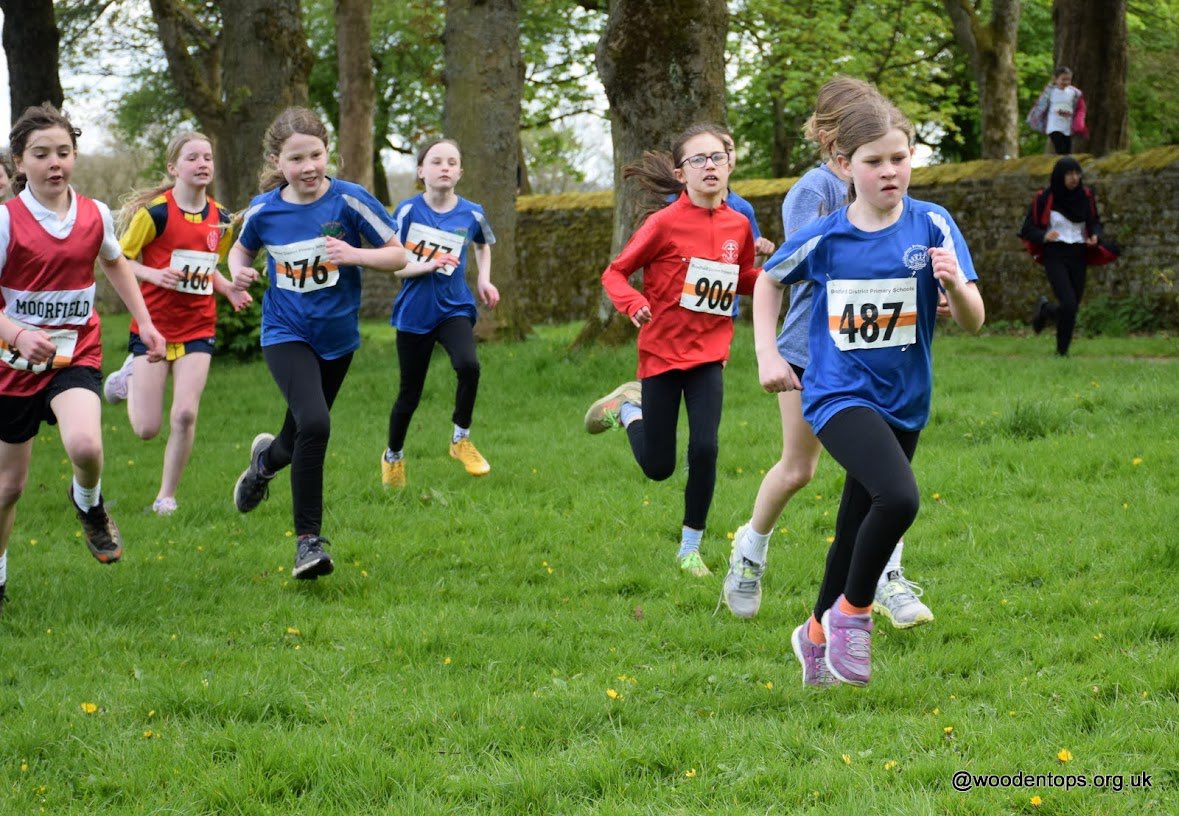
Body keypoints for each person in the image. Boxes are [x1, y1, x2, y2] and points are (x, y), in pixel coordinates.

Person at [757, 95, 984, 686]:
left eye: (900, 158)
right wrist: (767, 353)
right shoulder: (827, 237)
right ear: (842, 163)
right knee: (900, 499)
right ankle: (853, 617)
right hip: (837, 394)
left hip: (905, 400)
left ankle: (812, 636)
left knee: (857, 521)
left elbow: (975, 319)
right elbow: (767, 280)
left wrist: (955, 285)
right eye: (874, 161)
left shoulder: (933, 223)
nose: (890, 171)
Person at [722, 78, 935, 629]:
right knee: (799, 469)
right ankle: (750, 550)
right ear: (832, 142)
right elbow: (802, 272)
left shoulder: (901, 197)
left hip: (875, 359)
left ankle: (880, 581)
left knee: (880, 481)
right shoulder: (811, 194)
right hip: (809, 355)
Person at [228, 107, 452, 580]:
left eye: (316, 155)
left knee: (298, 435)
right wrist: (239, 271)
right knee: (316, 422)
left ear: (327, 153)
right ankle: (308, 543)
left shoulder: (350, 202)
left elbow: (398, 254)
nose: (308, 167)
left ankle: (264, 465)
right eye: (296, 158)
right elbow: (241, 247)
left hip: (337, 340)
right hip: (285, 333)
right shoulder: (266, 209)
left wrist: (355, 255)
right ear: (277, 160)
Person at [0, 104, 166, 614]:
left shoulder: (94, 215)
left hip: (76, 354)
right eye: (41, 154)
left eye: (64, 152)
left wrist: (147, 323)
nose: (55, 163)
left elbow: (115, 265)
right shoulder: (6, 223)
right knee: (9, 486)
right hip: (11, 366)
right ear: (19, 163)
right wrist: (16, 334)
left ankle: (88, 504)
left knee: (87, 445)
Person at [584, 123, 759, 578]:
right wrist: (634, 303)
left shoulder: (738, 225)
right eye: (698, 160)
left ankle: (689, 549)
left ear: (728, 164)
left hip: (708, 355)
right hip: (661, 355)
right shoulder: (661, 224)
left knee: (705, 447)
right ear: (681, 174)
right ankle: (627, 409)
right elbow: (614, 274)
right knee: (659, 467)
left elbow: (741, 279)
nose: (709, 166)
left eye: (717, 157)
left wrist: (785, 279)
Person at [103, 131, 252, 515]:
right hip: (153, 326)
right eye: (192, 158)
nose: (202, 163)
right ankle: (129, 379)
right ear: (174, 168)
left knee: (185, 413)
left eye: (207, 157)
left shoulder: (221, 219)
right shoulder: (154, 213)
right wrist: (154, 275)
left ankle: (166, 496)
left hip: (198, 326)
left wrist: (229, 290)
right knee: (146, 429)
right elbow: (120, 262)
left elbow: (210, 270)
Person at [381, 138, 499, 489]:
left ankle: (460, 439)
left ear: (460, 172)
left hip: (454, 308)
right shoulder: (407, 212)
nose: (444, 167)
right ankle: (393, 457)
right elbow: (395, 267)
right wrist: (429, 264)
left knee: (468, 365)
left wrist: (485, 281)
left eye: (452, 162)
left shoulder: (472, 212)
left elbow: (483, 244)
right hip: (414, 313)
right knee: (409, 395)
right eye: (436, 162)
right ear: (421, 172)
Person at [1021, 156, 1106, 356]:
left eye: (1077, 173)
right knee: (1068, 303)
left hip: (1079, 253)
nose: (1074, 178)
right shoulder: (1044, 197)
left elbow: (1094, 222)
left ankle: (1046, 312)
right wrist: (1044, 235)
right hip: (1055, 254)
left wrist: (1095, 236)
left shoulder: (1085, 196)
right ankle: (1062, 353)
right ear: (1059, 176)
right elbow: (1027, 230)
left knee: (1072, 306)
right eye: (1069, 174)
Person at [1035, 67, 1085, 155]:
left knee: (1067, 149)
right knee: (1059, 147)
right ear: (1055, 79)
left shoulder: (1073, 93)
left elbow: (1078, 107)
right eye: (1063, 79)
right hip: (1054, 125)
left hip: (1067, 124)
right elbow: (1041, 105)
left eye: (1068, 80)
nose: (1066, 82)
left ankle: (1066, 164)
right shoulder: (1050, 92)